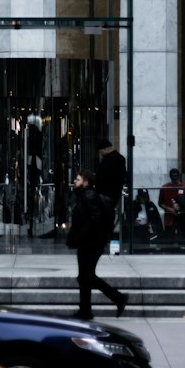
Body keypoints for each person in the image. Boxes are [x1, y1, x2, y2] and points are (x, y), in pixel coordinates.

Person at [66, 170, 127, 320]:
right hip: (90, 243)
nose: (75, 181)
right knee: (85, 277)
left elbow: (94, 218)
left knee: (86, 276)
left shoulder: (88, 196)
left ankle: (117, 298)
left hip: (90, 244)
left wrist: (80, 236)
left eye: (78, 179)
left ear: (86, 183)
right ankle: (86, 310)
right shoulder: (85, 196)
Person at [96, 134, 128, 232]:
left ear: (105, 149)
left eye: (101, 151)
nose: (100, 153)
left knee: (106, 215)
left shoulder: (111, 160)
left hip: (107, 192)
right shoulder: (118, 158)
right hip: (111, 193)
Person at [158, 167, 185, 236]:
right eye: (173, 177)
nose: (175, 179)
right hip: (169, 217)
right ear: (170, 177)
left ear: (178, 176)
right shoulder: (165, 187)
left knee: (182, 238)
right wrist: (169, 209)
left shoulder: (184, 187)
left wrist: (180, 207)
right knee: (169, 237)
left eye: (176, 176)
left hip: (182, 217)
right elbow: (160, 203)